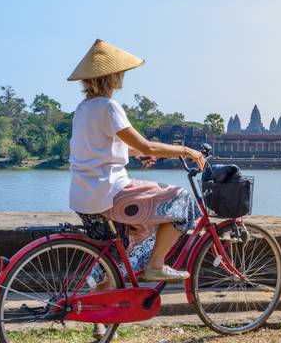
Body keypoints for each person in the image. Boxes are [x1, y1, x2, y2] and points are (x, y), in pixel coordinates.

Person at [66, 39, 204, 338]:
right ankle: (157, 264)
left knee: (127, 251)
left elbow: (102, 148)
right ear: (114, 77)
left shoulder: (83, 108)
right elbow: (144, 143)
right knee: (181, 200)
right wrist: (186, 151)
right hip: (109, 193)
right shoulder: (109, 106)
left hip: (82, 196)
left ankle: (99, 315)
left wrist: (140, 154)